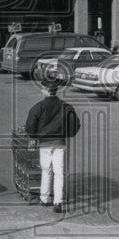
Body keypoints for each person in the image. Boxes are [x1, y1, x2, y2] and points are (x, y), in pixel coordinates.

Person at [25, 78, 81, 214]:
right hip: (60, 144)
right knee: (59, 173)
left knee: (46, 170)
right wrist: (67, 134)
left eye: (42, 88)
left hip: (44, 145)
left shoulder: (38, 107)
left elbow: (30, 127)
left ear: (46, 90)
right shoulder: (66, 107)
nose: (41, 90)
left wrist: (35, 135)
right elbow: (75, 124)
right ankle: (58, 202)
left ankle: (44, 199)